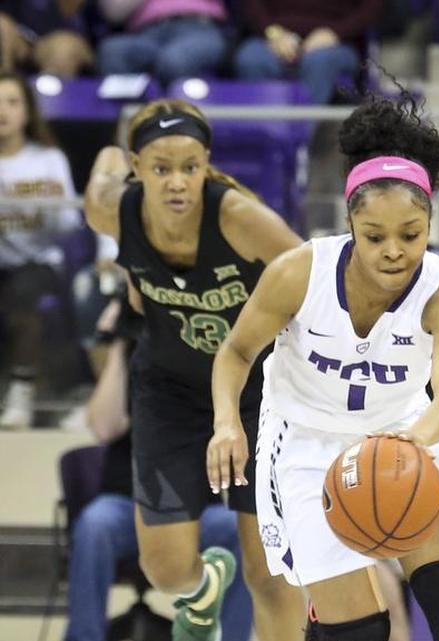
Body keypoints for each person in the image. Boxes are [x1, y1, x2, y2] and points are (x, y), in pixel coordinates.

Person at [209, 91, 439, 641]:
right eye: (375, 236)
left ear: (430, 222)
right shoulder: (298, 273)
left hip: (406, 432)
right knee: (358, 631)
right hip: (306, 442)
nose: (394, 250)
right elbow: (237, 352)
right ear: (350, 223)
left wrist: (409, 444)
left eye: (411, 234)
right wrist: (226, 422)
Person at [82, 98, 306, 641]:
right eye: (161, 169)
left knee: (268, 572)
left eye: (190, 167)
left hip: (257, 397)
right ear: (138, 168)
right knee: (164, 570)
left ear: (207, 164)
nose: (177, 182)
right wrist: (113, 156)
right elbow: (103, 167)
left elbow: (315, 280)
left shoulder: (239, 218)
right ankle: (206, 587)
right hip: (169, 394)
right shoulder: (111, 211)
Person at [64, 295, 254, 641]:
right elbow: (104, 427)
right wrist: (121, 344)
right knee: (94, 524)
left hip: (195, 508)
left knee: (236, 529)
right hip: (123, 504)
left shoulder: (199, 370)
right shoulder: (135, 367)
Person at [0, 70, 85, 430]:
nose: (3, 111)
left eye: (12, 102)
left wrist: (46, 205)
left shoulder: (48, 159)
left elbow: (69, 223)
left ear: (27, 110)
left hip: (37, 261)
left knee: (25, 293)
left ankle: (22, 393)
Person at [233, 0, 384, 104]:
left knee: (320, 62)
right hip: (274, 36)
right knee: (251, 58)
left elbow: (373, 8)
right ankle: (267, 133)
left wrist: (335, 33)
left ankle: (305, 136)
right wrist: (272, 33)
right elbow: (252, 5)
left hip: (338, 42)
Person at [96, 0, 230, 84]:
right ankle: (132, 119)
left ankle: (180, 120)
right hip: (146, 34)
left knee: (175, 60)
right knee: (113, 50)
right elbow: (113, 13)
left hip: (199, 29)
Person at [0, 0, 92, 77]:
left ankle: (51, 92)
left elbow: (70, 10)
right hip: (15, 35)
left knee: (63, 49)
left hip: (61, 39)